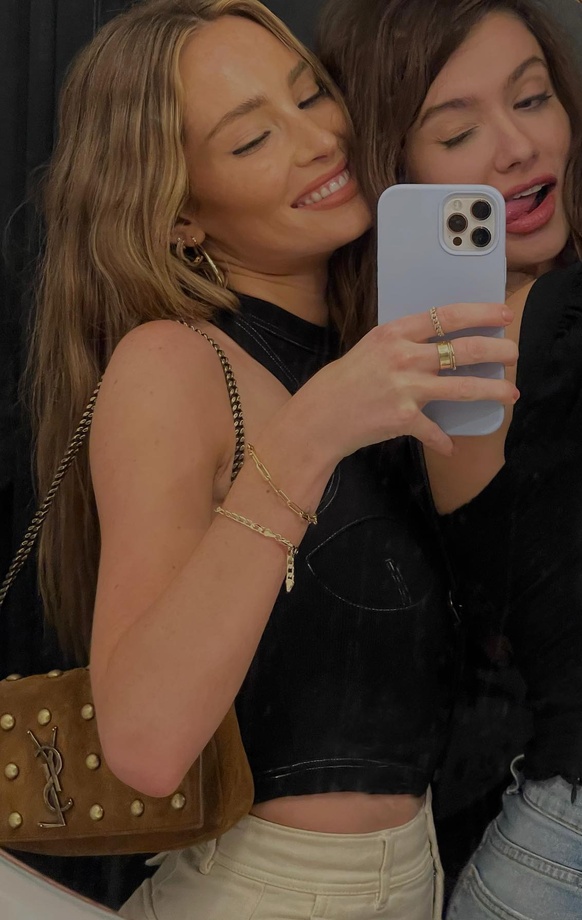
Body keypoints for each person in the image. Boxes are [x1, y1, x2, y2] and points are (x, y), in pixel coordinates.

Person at [27, 0, 522, 917]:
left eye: (311, 95)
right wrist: (309, 434)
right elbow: (142, 743)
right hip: (269, 889)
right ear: (180, 214)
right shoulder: (174, 363)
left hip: (422, 876)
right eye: (253, 139)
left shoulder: (372, 348)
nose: (319, 141)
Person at [317, 0, 582, 916]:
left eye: (533, 98)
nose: (516, 147)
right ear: (397, 175)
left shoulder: (529, 340)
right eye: (457, 130)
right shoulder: (495, 353)